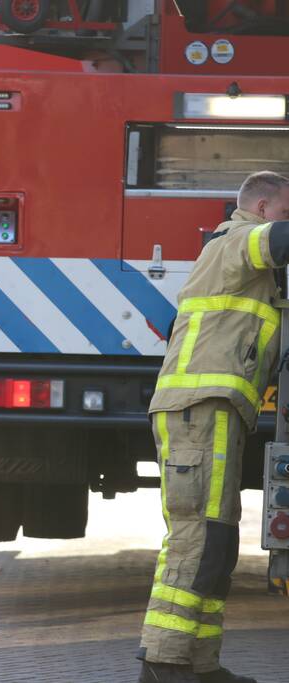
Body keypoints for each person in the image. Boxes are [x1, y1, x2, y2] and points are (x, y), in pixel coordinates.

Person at [138, 171, 289, 683]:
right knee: (195, 539)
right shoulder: (237, 239)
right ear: (264, 210)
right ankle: (162, 661)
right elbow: (282, 241)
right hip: (199, 411)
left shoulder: (248, 264)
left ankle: (199, 663)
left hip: (215, 412)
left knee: (218, 543)